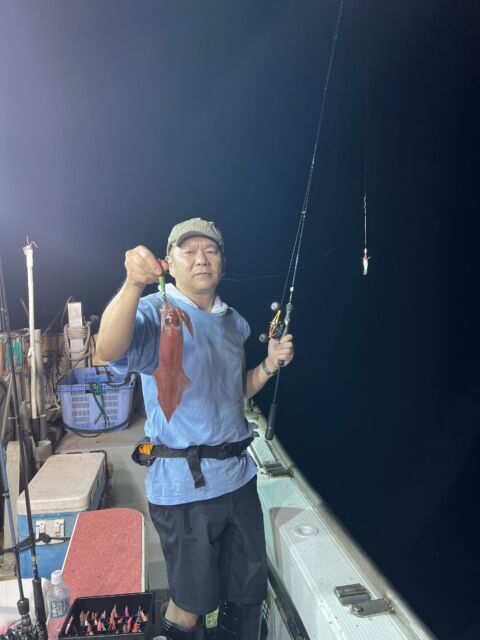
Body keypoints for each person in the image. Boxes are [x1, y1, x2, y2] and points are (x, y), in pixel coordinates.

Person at [96, 218, 294, 640]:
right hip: (185, 490)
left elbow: (236, 391)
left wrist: (269, 364)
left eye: (211, 250)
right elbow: (107, 349)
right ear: (169, 263)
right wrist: (132, 284)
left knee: (246, 596)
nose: (201, 258)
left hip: (238, 480)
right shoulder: (154, 310)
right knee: (189, 607)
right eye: (189, 251)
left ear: (223, 262)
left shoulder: (234, 322)